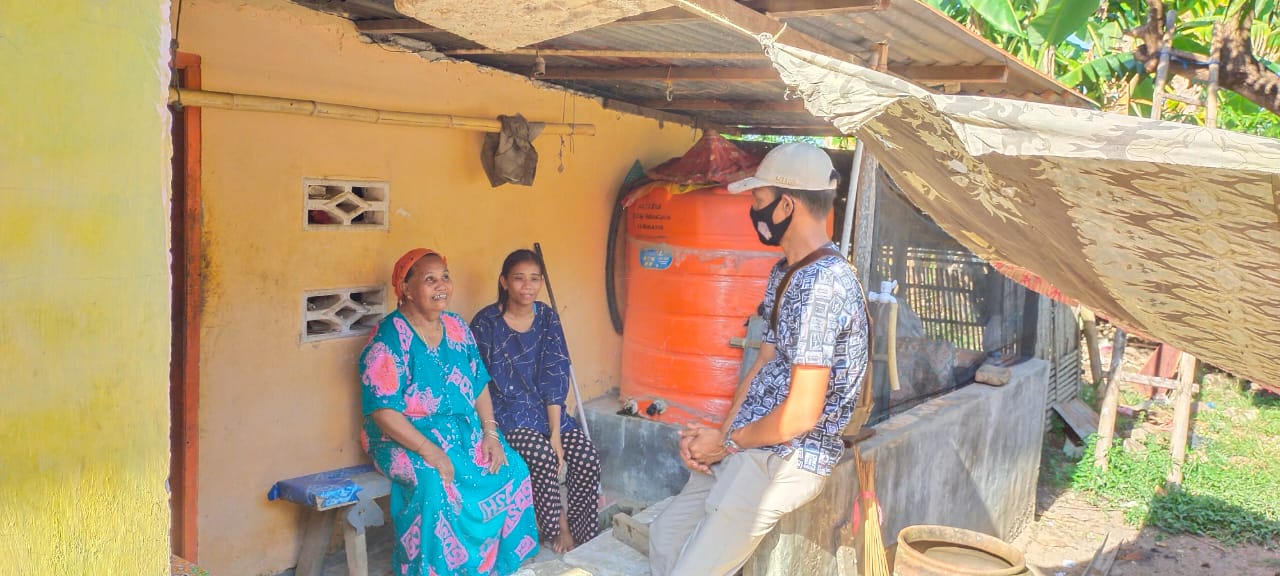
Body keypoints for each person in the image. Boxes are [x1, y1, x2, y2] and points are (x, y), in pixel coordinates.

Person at [648, 143, 870, 576]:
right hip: (752, 442)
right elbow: (765, 361)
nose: (753, 211)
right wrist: (722, 433)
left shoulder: (823, 287)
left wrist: (728, 443)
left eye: (759, 200)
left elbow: (802, 414)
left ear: (787, 204)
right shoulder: (785, 271)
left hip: (786, 456)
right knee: (665, 538)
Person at [359, 248, 540, 576]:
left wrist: (490, 434)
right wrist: (430, 451)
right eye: (429, 280)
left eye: (444, 277)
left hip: (461, 432)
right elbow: (382, 411)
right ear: (407, 289)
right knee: (435, 483)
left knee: (512, 469)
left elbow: (479, 383)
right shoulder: (388, 338)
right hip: (402, 437)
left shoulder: (456, 326)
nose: (441, 285)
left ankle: (492, 567)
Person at [470, 249, 602, 554]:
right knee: (543, 458)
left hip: (546, 411)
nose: (527, 286)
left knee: (586, 457)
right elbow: (477, 380)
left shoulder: (546, 317)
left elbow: (554, 376)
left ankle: (585, 530)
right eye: (519, 279)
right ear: (504, 282)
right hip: (506, 412)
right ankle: (558, 528)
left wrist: (556, 433)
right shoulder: (485, 323)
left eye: (534, 278)